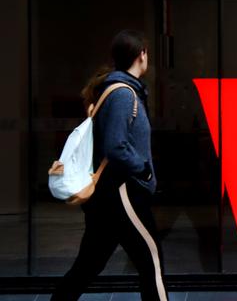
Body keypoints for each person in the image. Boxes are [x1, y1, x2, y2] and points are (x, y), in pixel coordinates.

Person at [52, 30, 168, 301]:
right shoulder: (124, 94)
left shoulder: (119, 90)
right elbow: (116, 146)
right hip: (123, 192)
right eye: (146, 52)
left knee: (87, 266)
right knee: (152, 263)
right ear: (142, 55)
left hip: (108, 196)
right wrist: (143, 168)